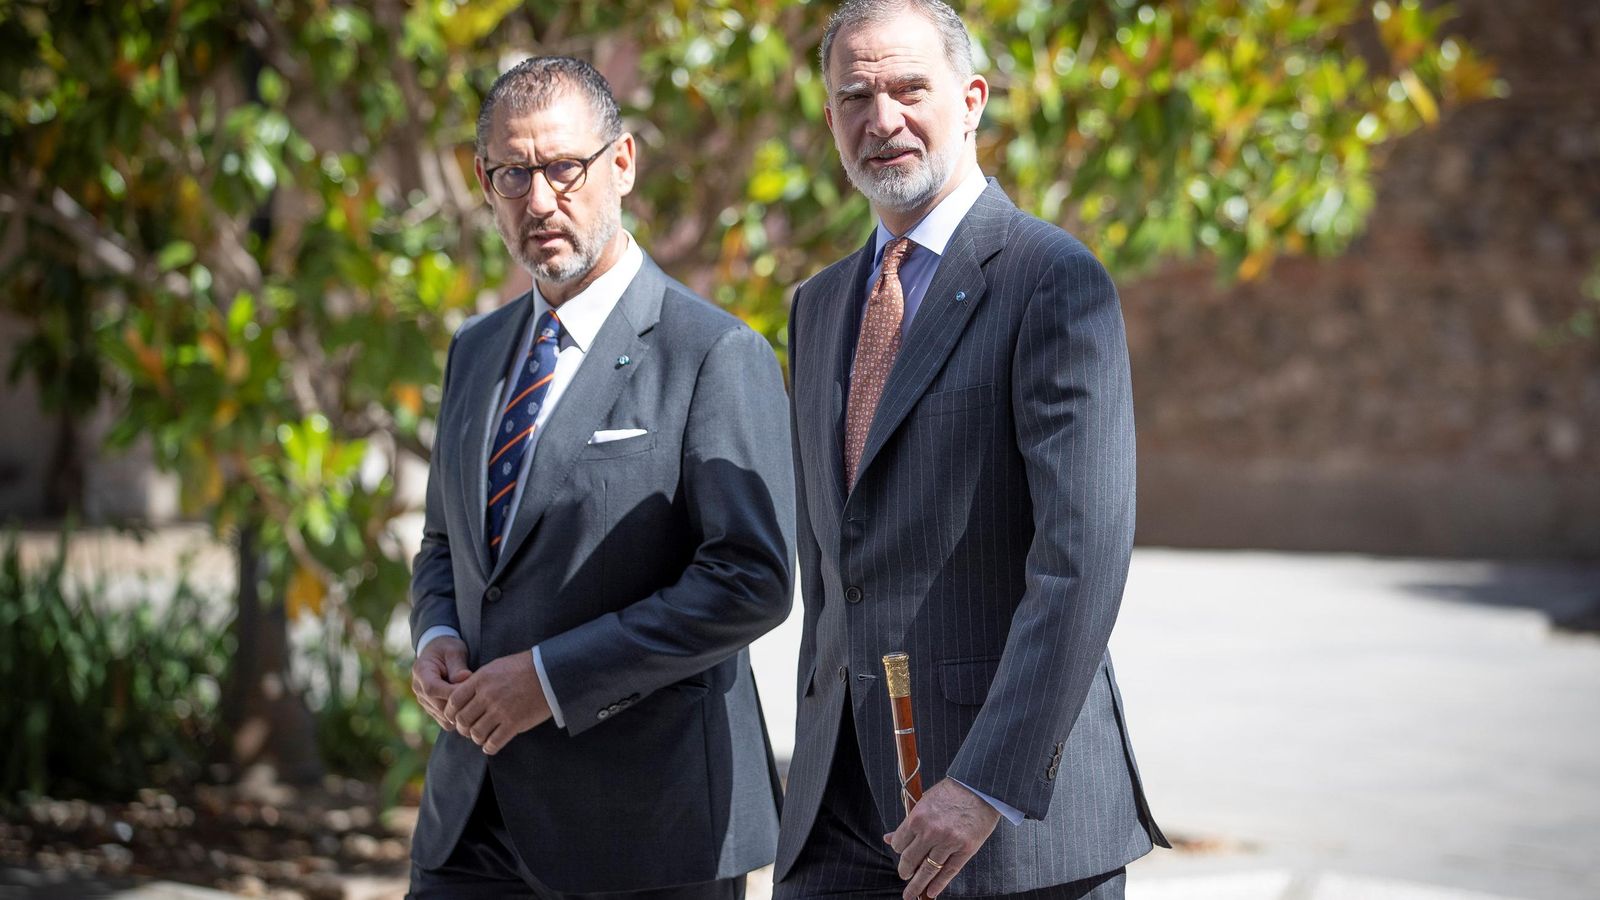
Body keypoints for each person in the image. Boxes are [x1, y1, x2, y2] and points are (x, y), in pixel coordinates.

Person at [774, 3, 1168, 899]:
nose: (883, 120)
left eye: (910, 88)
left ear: (972, 100)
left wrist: (987, 782)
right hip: (839, 811)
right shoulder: (820, 305)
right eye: (855, 96)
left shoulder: (1051, 281)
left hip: (1005, 825)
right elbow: (832, 566)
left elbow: (1082, 560)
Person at [406, 56, 794, 899]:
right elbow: (446, 544)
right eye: (514, 173)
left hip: (646, 832)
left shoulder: (715, 353)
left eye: (562, 168)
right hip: (469, 822)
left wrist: (550, 680)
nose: (539, 200)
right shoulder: (476, 353)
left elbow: (752, 581)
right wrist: (436, 634)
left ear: (621, 163)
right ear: (484, 181)